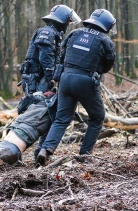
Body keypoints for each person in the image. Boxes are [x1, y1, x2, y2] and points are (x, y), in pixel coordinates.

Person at [36, 9, 117, 166]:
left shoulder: (74, 33)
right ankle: (85, 155)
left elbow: (62, 55)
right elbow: (108, 64)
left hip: (65, 80)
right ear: (107, 25)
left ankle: (45, 150)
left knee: (61, 119)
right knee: (97, 117)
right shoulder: (105, 40)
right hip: (86, 80)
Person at [18, 5, 81, 100]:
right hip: (39, 78)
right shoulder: (47, 33)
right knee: (38, 106)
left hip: (41, 77)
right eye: (68, 22)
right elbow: (45, 58)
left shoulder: (53, 33)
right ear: (61, 20)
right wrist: (51, 78)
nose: (68, 25)